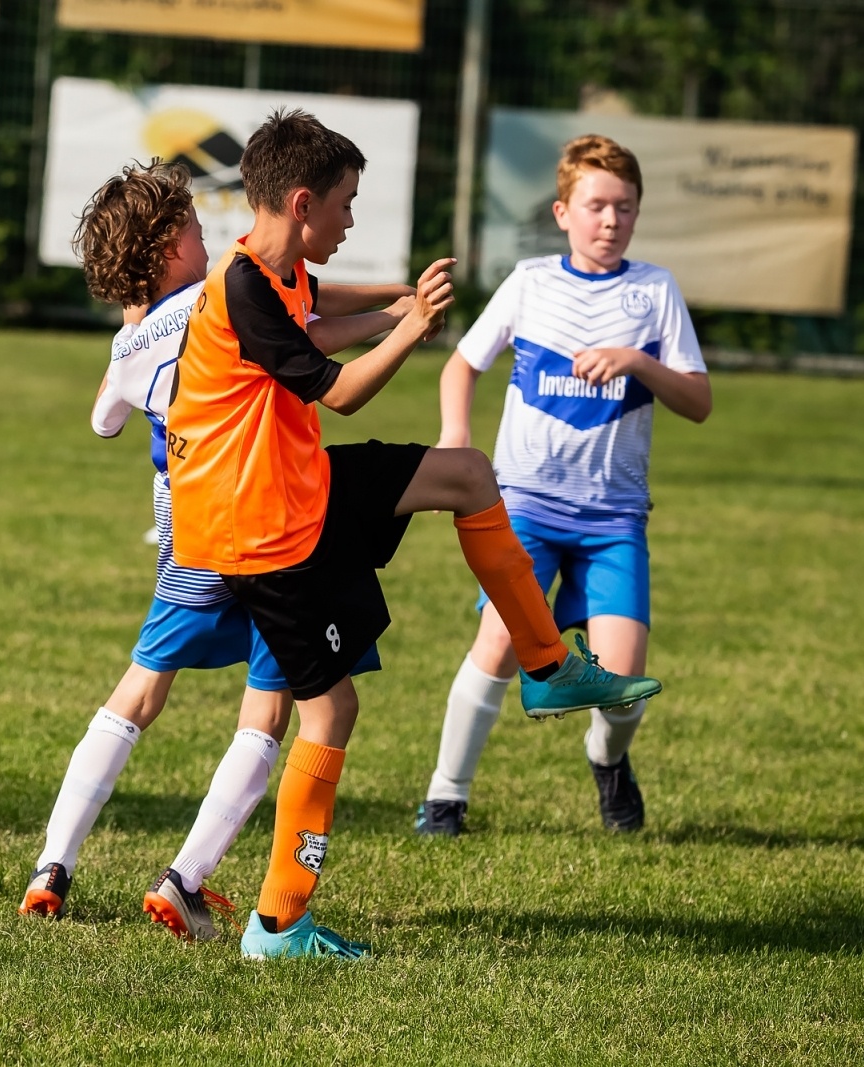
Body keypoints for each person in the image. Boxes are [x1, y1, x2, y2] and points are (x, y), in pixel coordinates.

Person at [165, 110, 665, 961]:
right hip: (260, 536)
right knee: (332, 710)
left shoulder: (275, 273)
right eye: (346, 205)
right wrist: (407, 326)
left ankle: (546, 667)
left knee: (467, 473)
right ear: (300, 202)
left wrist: (397, 296)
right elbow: (339, 387)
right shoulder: (241, 286)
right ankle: (279, 923)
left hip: (300, 496)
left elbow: (318, 312)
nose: (351, 220)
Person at [18, 160, 414, 940]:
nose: (210, 239)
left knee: (139, 692)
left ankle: (52, 865)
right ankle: (184, 879)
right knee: (268, 709)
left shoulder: (132, 341)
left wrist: (134, 332)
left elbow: (104, 421)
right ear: (171, 249)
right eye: (197, 230)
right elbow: (308, 327)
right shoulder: (225, 295)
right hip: (257, 514)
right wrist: (397, 310)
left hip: (184, 528)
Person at [414, 134, 712, 839]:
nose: (612, 221)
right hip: (526, 506)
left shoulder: (653, 291)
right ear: (562, 211)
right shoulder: (530, 282)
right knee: (497, 644)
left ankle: (608, 763)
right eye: (598, 206)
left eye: (626, 208)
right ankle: (445, 798)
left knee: (624, 680)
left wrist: (638, 360)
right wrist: (457, 436)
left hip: (613, 519)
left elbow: (698, 401)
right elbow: (460, 365)